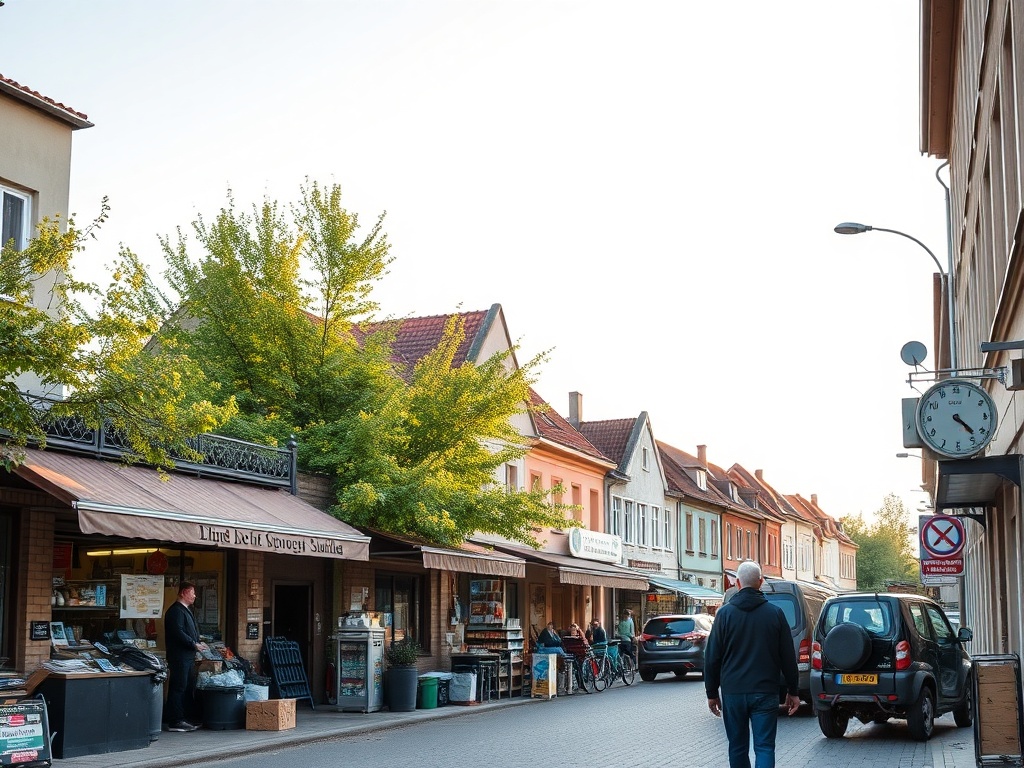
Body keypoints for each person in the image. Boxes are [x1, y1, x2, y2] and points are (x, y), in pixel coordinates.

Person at [704, 560, 799, 768]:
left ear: (737, 583)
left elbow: (712, 657)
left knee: (737, 747)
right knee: (764, 747)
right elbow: (787, 657)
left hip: (733, 692)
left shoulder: (724, 615)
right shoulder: (775, 614)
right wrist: (793, 690)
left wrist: (711, 692)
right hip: (765, 691)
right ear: (761, 582)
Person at [164, 581, 208, 732]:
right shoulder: (176, 611)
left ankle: (185, 717)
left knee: (188, 686)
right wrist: (193, 643)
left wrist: (198, 642)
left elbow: (188, 631)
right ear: (183, 592)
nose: (195, 596)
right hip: (179, 656)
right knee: (179, 686)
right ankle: (175, 720)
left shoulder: (186, 610)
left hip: (188, 656)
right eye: (192, 592)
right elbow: (178, 632)